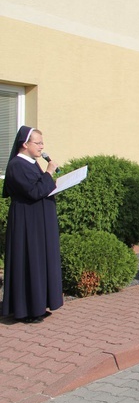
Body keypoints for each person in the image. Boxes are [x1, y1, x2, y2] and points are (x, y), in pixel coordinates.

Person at [1, 127, 62, 323]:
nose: (42, 147)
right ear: (24, 144)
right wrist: (49, 172)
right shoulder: (17, 165)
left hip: (39, 221)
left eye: (42, 143)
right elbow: (34, 192)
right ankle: (26, 310)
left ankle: (38, 305)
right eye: (38, 143)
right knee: (29, 261)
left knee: (40, 261)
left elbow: (41, 188)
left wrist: (52, 180)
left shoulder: (32, 163)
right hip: (27, 223)